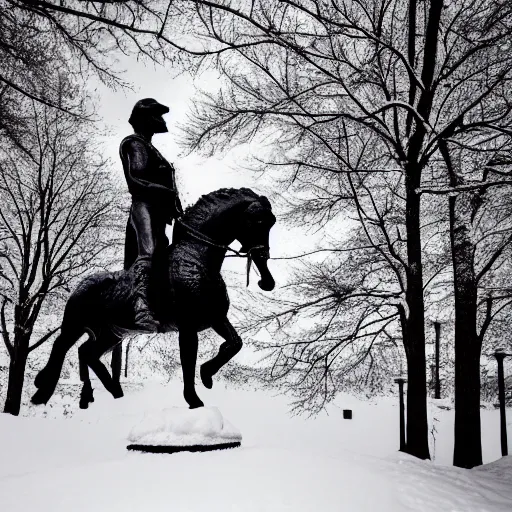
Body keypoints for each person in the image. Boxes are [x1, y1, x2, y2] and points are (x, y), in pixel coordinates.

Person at [120, 98, 183, 332]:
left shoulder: (152, 148)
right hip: (144, 207)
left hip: (158, 211)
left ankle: (164, 299)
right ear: (146, 118)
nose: (161, 119)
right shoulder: (135, 144)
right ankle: (139, 306)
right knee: (147, 251)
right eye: (157, 115)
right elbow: (135, 180)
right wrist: (165, 192)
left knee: (164, 253)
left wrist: (175, 205)